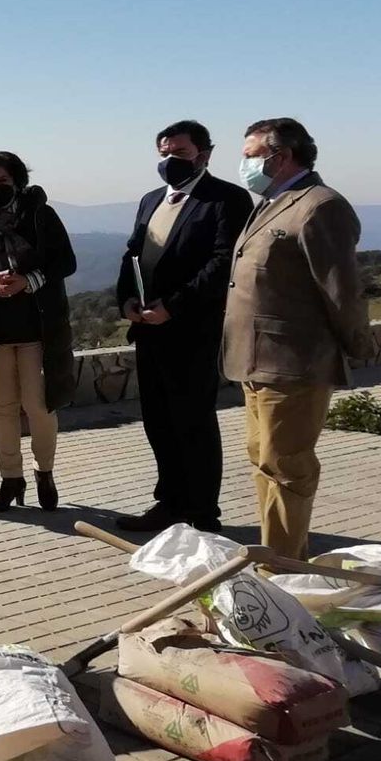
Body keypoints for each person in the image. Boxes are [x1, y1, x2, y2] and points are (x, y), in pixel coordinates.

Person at [222, 118, 372, 558]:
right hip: (256, 362)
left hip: (294, 363)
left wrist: (360, 348)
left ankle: (281, 572)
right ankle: (285, 558)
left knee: (287, 468)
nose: (244, 164)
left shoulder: (319, 205)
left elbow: (341, 290)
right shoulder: (275, 201)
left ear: (280, 156)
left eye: (250, 155)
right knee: (266, 464)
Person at [113, 120, 253, 533]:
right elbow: (132, 255)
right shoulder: (151, 199)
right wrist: (127, 301)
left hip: (193, 331)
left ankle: (203, 513)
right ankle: (169, 504)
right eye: (164, 154)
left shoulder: (226, 199)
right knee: (159, 421)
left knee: (193, 421)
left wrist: (173, 307)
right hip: (149, 330)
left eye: (180, 154)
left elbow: (222, 262)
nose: (170, 162)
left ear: (205, 155)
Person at [0, 152, 77, 512]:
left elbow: (65, 261)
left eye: (3, 182)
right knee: (3, 409)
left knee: (40, 407)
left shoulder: (39, 215)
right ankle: (10, 479)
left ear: (18, 181)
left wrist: (28, 281)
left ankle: (44, 473)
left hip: (39, 329)